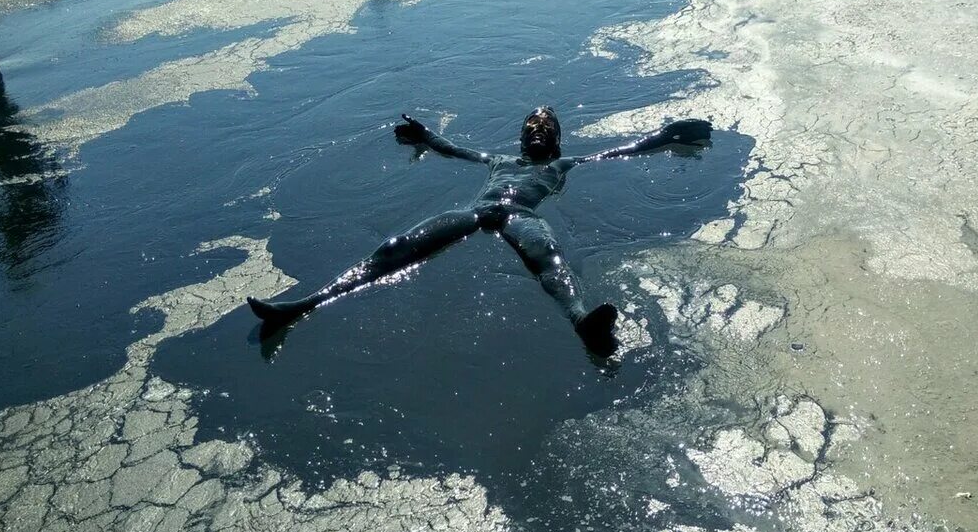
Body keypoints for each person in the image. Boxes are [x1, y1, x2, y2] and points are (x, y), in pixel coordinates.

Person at [248, 108, 712, 356]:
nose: (536, 130)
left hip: (521, 215)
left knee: (548, 259)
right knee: (393, 251)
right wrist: (425, 135)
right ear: (520, 137)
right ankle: (303, 304)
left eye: (545, 127)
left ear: (556, 139)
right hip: (476, 211)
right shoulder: (500, 161)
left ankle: (581, 321)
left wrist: (672, 132)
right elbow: (454, 150)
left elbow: (627, 149)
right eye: (531, 126)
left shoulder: (564, 163)